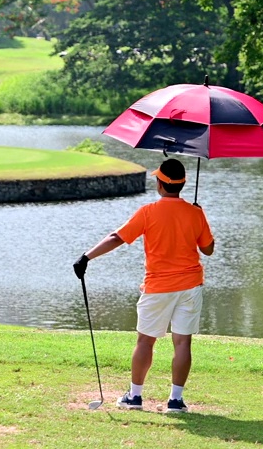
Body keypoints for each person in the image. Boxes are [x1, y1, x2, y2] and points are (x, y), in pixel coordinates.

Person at [73, 157, 215, 414]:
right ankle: (175, 401)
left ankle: (135, 397)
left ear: (161, 184)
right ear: (182, 184)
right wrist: (197, 215)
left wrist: (86, 257)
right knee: (183, 343)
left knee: (145, 342)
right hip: (190, 286)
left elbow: (118, 237)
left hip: (158, 286)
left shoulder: (148, 212)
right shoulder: (195, 213)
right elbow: (208, 249)